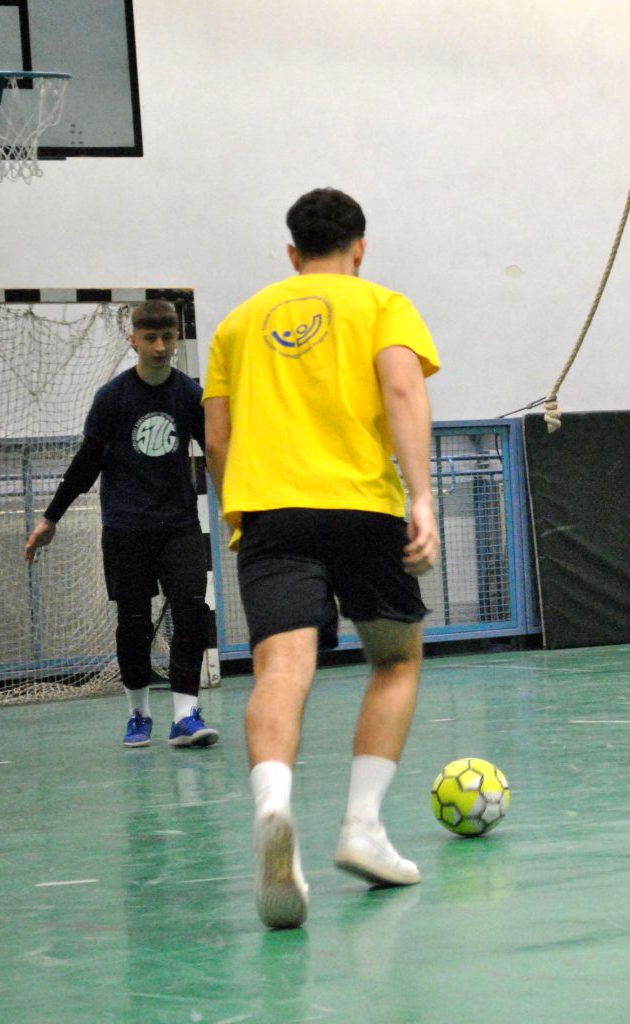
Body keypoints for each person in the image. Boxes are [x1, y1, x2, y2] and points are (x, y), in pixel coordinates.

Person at [203, 188, 440, 928]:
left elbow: (216, 439)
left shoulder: (237, 324)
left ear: (291, 251)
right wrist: (422, 496)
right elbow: (401, 389)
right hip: (362, 506)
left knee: (281, 669)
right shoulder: (383, 305)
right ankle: (361, 828)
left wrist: (244, 510)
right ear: (360, 247)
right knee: (395, 659)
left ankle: (273, 807)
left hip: (271, 513)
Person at [24, 300, 217, 749]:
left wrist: (243, 506)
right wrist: (51, 518)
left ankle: (185, 714)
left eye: (167, 337)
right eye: (150, 338)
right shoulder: (112, 398)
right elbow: (87, 462)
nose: (160, 347)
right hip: (126, 528)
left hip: (180, 525)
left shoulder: (189, 395)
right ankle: (138, 713)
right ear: (133, 340)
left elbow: (217, 451)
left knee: (191, 610)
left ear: (176, 339)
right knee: (133, 621)